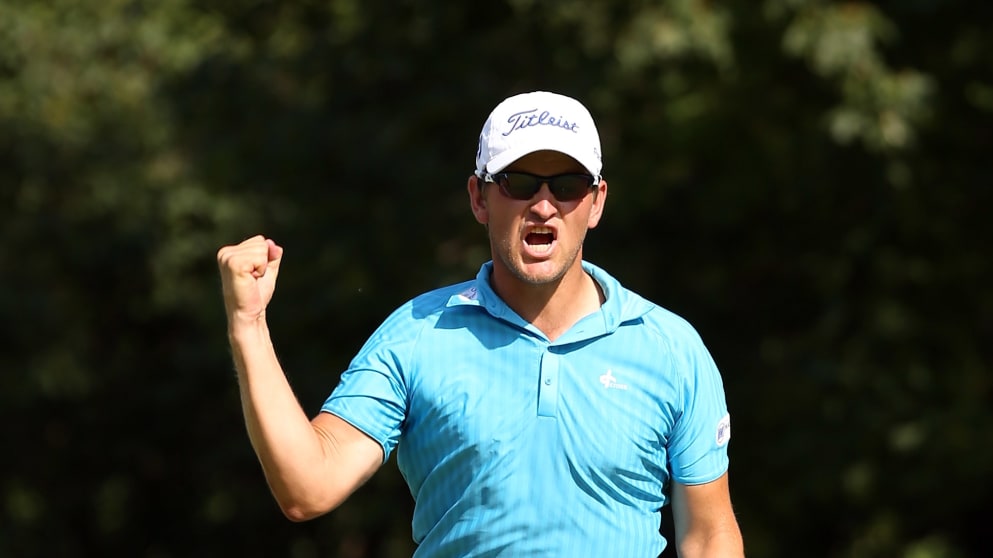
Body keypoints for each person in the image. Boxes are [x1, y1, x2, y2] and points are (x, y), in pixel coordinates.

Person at [217, 91, 744, 557]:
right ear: (479, 198)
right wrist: (249, 324)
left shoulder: (671, 348)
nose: (544, 205)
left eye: (567, 184)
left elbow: (709, 536)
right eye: (518, 182)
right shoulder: (418, 334)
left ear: (597, 201)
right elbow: (308, 488)